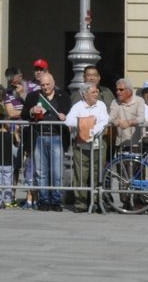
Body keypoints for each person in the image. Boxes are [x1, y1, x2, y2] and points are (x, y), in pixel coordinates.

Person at [24, 64, 70, 211]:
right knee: (41, 172)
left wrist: (66, 116)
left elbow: (71, 114)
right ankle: (43, 200)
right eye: (42, 85)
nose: (45, 87)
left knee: (57, 172)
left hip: (56, 137)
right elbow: (24, 114)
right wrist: (31, 110)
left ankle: (56, 201)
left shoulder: (63, 96)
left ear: (53, 83)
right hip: (39, 137)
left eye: (48, 84)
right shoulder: (33, 96)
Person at [63, 83, 109, 212]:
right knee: (81, 175)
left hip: (98, 144)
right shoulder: (78, 106)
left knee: (97, 173)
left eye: (97, 91)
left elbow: (105, 120)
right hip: (81, 145)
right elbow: (68, 120)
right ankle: (81, 203)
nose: (96, 94)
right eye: (93, 92)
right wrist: (85, 122)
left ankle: (95, 201)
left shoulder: (101, 105)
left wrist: (92, 129)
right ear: (85, 94)